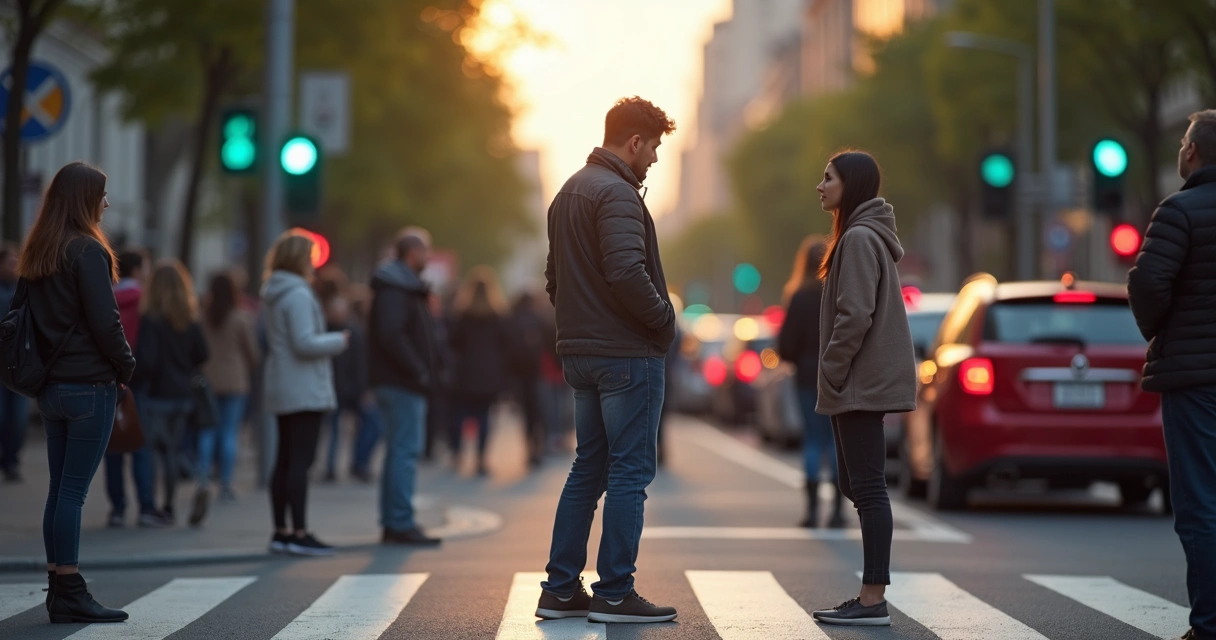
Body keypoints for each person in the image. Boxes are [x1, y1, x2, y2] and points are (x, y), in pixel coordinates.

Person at [536, 97, 678, 624]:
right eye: (655, 147)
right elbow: (625, 272)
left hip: (581, 354)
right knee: (628, 472)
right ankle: (615, 593)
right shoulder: (616, 193)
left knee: (587, 469)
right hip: (626, 354)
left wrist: (579, 327)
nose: (656, 159)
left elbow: (554, 279)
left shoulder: (568, 190)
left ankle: (560, 589)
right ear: (634, 141)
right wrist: (665, 321)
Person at [19, 161, 135, 623]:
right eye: (102, 195)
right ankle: (69, 590)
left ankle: (59, 586)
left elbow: (19, 318)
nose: (106, 203)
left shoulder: (39, 251)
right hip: (89, 386)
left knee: (58, 492)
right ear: (85, 198)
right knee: (73, 493)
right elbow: (106, 321)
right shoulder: (87, 250)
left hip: (49, 387)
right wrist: (126, 365)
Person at [809, 151, 916, 627]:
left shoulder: (856, 238)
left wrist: (831, 368)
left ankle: (873, 598)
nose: (820, 185)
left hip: (858, 383)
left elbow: (855, 316)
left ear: (849, 186)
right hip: (858, 381)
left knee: (868, 488)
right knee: (856, 483)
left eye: (828, 178)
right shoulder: (863, 236)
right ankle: (871, 594)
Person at [1128, 109, 1216, 640]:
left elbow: (1148, 284)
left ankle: (1208, 626)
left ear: (1193, 152)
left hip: (1197, 383)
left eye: (1184, 142)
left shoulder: (1180, 211)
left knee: (1202, 503)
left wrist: (1164, 332)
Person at [261, 231, 349, 556]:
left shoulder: (274, 291)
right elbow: (304, 342)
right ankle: (299, 531)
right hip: (302, 385)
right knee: (300, 460)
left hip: (283, 382)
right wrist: (339, 340)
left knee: (284, 459)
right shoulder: (297, 293)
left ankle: (281, 531)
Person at [368, 229, 442, 545]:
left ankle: (394, 521)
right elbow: (392, 335)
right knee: (404, 451)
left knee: (399, 451)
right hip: (401, 383)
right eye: (426, 252)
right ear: (413, 254)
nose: (428, 258)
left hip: (398, 381)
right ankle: (399, 522)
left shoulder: (397, 286)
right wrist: (418, 370)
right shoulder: (397, 289)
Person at [131, 260, 210, 526]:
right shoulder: (190, 318)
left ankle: (153, 507)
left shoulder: (152, 319)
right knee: (173, 452)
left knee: (152, 451)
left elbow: (148, 360)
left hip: (157, 395)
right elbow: (203, 354)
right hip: (184, 396)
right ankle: (170, 505)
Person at [777, 237, 845, 529]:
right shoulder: (839, 292)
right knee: (835, 442)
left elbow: (785, 345)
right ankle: (839, 512)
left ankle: (812, 510)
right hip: (838, 374)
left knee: (813, 440)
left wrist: (799, 358)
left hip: (806, 375)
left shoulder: (799, 296)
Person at [103, 249, 170, 528]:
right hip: (138, 380)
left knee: (114, 443)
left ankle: (117, 508)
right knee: (141, 443)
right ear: (137, 270)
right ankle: (146, 505)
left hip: (109, 377)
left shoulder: (107, 297)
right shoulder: (146, 301)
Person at [198, 271, 259, 505]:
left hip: (208, 380)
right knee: (229, 433)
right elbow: (252, 354)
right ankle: (225, 483)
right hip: (235, 381)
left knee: (207, 430)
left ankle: (202, 479)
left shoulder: (203, 317)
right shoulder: (241, 318)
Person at [448, 266, 509, 476]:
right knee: (484, 417)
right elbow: (505, 345)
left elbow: (453, 342)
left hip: (465, 374)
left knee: (461, 414)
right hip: (489, 375)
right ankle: (481, 459)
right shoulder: (497, 315)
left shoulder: (463, 315)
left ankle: (457, 453)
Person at [322, 292, 381, 483]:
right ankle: (331, 468)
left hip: (352, 389)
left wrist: (364, 389)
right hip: (333, 388)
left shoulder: (354, 332)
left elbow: (361, 363)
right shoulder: (324, 331)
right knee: (333, 429)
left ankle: (359, 463)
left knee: (372, 425)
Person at [506, 292, 548, 468]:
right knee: (538, 411)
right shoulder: (538, 318)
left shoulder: (511, 320)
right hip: (536, 371)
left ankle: (530, 446)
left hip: (517, 373)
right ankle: (538, 447)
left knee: (526, 413)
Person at [0, 243, 28, 482]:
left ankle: (11, 461)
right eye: (10, 263)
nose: (15, 267)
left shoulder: (22, 288)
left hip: (17, 366)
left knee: (18, 421)